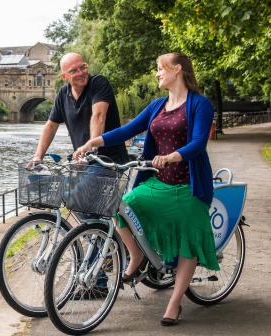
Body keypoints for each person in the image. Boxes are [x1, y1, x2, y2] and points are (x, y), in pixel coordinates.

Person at [73, 52, 219, 326]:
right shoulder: (157, 106)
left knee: (188, 233)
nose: (156, 73)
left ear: (177, 70)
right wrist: (92, 143)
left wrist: (173, 156)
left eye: (160, 69)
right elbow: (127, 130)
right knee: (123, 208)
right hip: (159, 181)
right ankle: (138, 254)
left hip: (190, 184)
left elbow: (199, 142)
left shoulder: (200, 104)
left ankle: (175, 303)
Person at [31, 52, 129, 298]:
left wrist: (92, 149)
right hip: (84, 163)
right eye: (73, 71)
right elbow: (50, 126)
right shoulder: (63, 95)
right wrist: (37, 157)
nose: (80, 73)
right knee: (85, 214)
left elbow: (98, 116)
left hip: (107, 160)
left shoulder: (99, 83)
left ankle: (100, 274)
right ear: (65, 76)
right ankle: (106, 255)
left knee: (81, 203)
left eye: (82, 67)